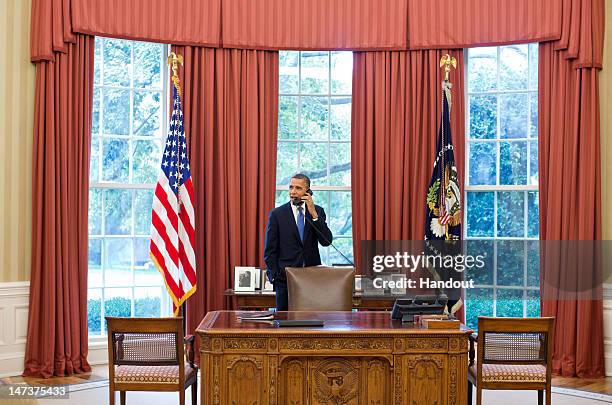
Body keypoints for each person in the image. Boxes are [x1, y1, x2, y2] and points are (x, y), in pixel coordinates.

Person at [263, 173, 333, 311]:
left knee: (311, 321)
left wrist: (313, 214)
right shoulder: (277, 214)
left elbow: (326, 241)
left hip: (311, 278)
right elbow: (269, 251)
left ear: (308, 191)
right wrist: (276, 277)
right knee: (285, 323)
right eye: (291, 187)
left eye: (298, 188)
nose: (293, 192)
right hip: (285, 280)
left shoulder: (317, 211)